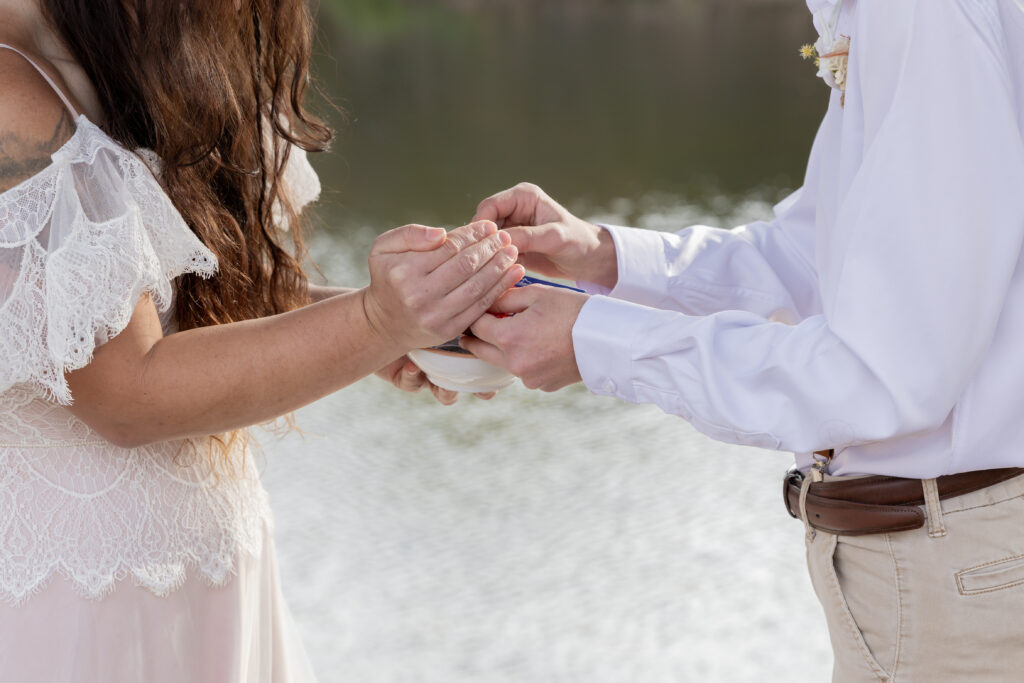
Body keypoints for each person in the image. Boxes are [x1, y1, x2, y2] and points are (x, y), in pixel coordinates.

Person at [464, 0, 1024, 680]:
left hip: (956, 572)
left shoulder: (927, 14)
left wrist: (595, 342)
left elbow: (878, 374)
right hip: (934, 560)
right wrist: (607, 258)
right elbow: (817, 258)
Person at [0, 0, 524, 680]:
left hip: (206, 593)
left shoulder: (120, 45)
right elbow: (126, 391)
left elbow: (169, 308)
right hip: (77, 614)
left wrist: (403, 324)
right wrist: (375, 322)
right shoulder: (10, 89)